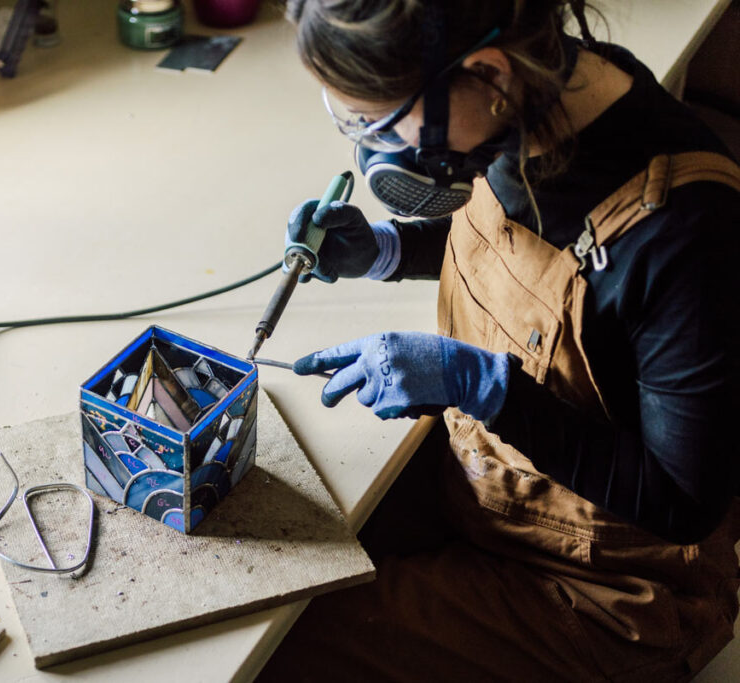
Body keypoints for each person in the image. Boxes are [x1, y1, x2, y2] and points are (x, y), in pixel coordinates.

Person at [257, 1, 740, 681]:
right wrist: (387, 251)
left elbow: (682, 501)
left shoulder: (683, 232)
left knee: (290, 648)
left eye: (379, 122)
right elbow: (509, 241)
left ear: (486, 72)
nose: (372, 152)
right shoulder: (528, 100)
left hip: (614, 590)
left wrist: (479, 384)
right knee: (281, 564)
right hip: (492, 492)